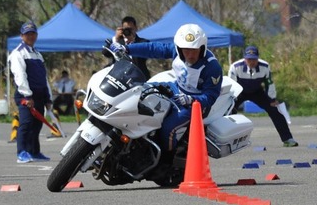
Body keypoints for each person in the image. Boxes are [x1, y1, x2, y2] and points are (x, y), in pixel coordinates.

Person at [110, 23, 222, 161]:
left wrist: (191, 100)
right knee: (139, 91)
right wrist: (127, 49)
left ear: (202, 48)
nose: (190, 54)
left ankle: (166, 159)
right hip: (176, 88)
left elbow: (211, 96)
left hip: (195, 104)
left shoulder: (212, 67)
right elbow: (154, 48)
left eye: (194, 50)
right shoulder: (177, 51)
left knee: (168, 128)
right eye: (185, 50)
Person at [228, 46, 299, 147]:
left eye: (254, 59)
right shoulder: (235, 67)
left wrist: (272, 99)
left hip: (257, 91)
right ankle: (225, 141)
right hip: (240, 91)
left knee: (275, 111)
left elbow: (269, 84)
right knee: (228, 112)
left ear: (257, 58)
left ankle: (287, 139)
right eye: (249, 59)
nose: (251, 62)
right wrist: (230, 101)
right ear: (245, 58)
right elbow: (232, 85)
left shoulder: (265, 66)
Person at [9, 21, 52, 163]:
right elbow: (20, 75)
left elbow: (43, 77)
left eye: (33, 33)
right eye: (27, 34)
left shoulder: (37, 54)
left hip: (39, 95)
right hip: (26, 95)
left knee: (37, 125)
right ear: (22, 36)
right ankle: (21, 152)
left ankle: (34, 151)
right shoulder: (18, 53)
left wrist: (48, 98)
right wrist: (27, 95)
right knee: (26, 123)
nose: (30, 36)